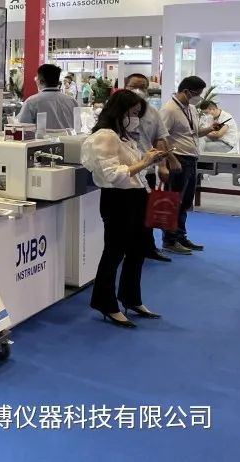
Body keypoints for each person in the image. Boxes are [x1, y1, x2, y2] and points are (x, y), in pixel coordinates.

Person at [81, 89, 166, 328]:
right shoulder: (105, 136)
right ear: (120, 111)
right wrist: (145, 162)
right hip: (118, 200)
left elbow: (131, 168)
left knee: (138, 250)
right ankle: (105, 302)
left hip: (136, 197)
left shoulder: (123, 136)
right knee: (114, 252)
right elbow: (113, 174)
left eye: (138, 113)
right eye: (133, 113)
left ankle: (131, 298)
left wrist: (148, 159)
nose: (136, 118)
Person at [158, 76, 222, 255]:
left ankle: (180, 236)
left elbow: (194, 133)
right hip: (177, 160)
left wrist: (210, 129)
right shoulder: (169, 109)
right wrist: (167, 162)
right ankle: (170, 240)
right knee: (173, 201)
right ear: (186, 91)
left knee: (185, 202)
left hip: (191, 160)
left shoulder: (191, 108)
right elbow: (161, 138)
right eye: (197, 94)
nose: (199, 97)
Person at [123, 73, 172, 263]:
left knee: (147, 212)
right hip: (126, 171)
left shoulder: (152, 112)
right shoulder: (115, 110)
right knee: (128, 215)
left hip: (148, 170)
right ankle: (126, 249)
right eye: (133, 86)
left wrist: (163, 165)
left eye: (142, 87)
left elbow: (160, 138)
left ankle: (148, 248)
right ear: (125, 87)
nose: (138, 90)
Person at [15, 64, 78, 130]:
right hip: (67, 137)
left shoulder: (31, 102)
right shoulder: (72, 102)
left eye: (36, 78)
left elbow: (22, 127)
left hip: (42, 137)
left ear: (40, 81)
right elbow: (78, 126)